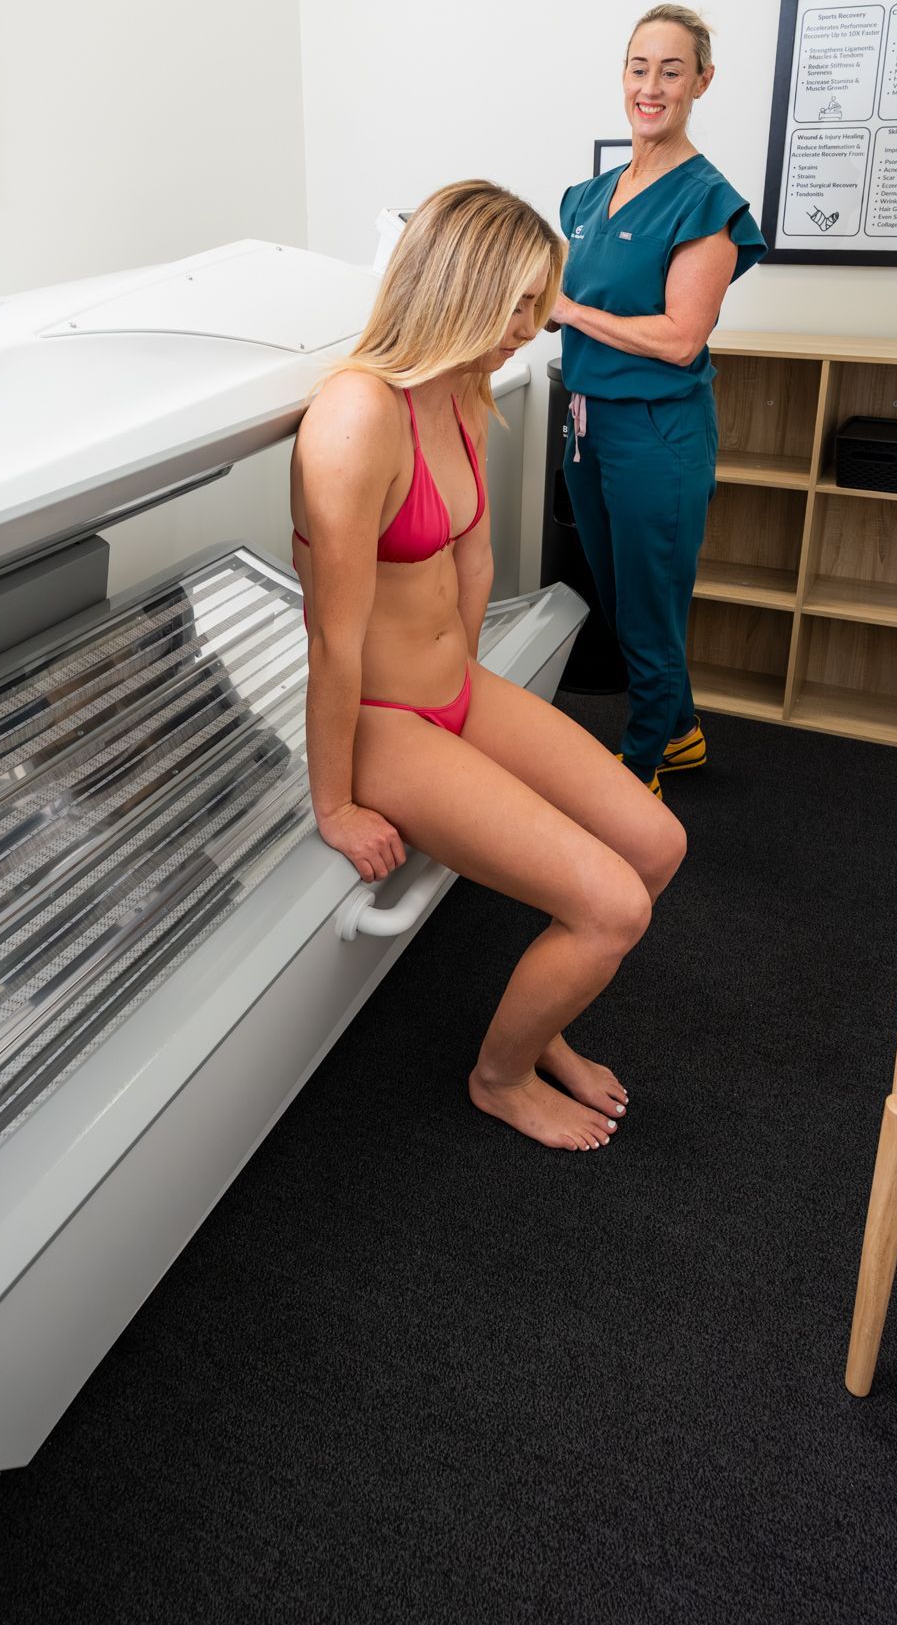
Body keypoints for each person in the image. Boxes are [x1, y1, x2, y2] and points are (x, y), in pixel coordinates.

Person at [290, 180, 685, 1151]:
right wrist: (336, 803)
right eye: (520, 304)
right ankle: (500, 1075)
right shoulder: (355, 417)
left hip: (454, 692)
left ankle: (543, 1022)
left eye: (540, 303)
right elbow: (335, 640)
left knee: (658, 843)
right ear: (457, 285)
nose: (534, 326)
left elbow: (472, 555)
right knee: (611, 906)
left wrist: (473, 700)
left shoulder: (463, 391)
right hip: (382, 718)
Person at [548, 5, 767, 792]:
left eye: (672, 71)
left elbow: (680, 337)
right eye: (640, 67)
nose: (652, 85)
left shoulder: (707, 204)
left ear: (702, 82)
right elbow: (554, 290)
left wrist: (568, 312)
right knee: (619, 598)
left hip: (656, 433)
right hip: (586, 424)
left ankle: (639, 766)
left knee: (651, 607)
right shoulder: (587, 195)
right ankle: (678, 731)